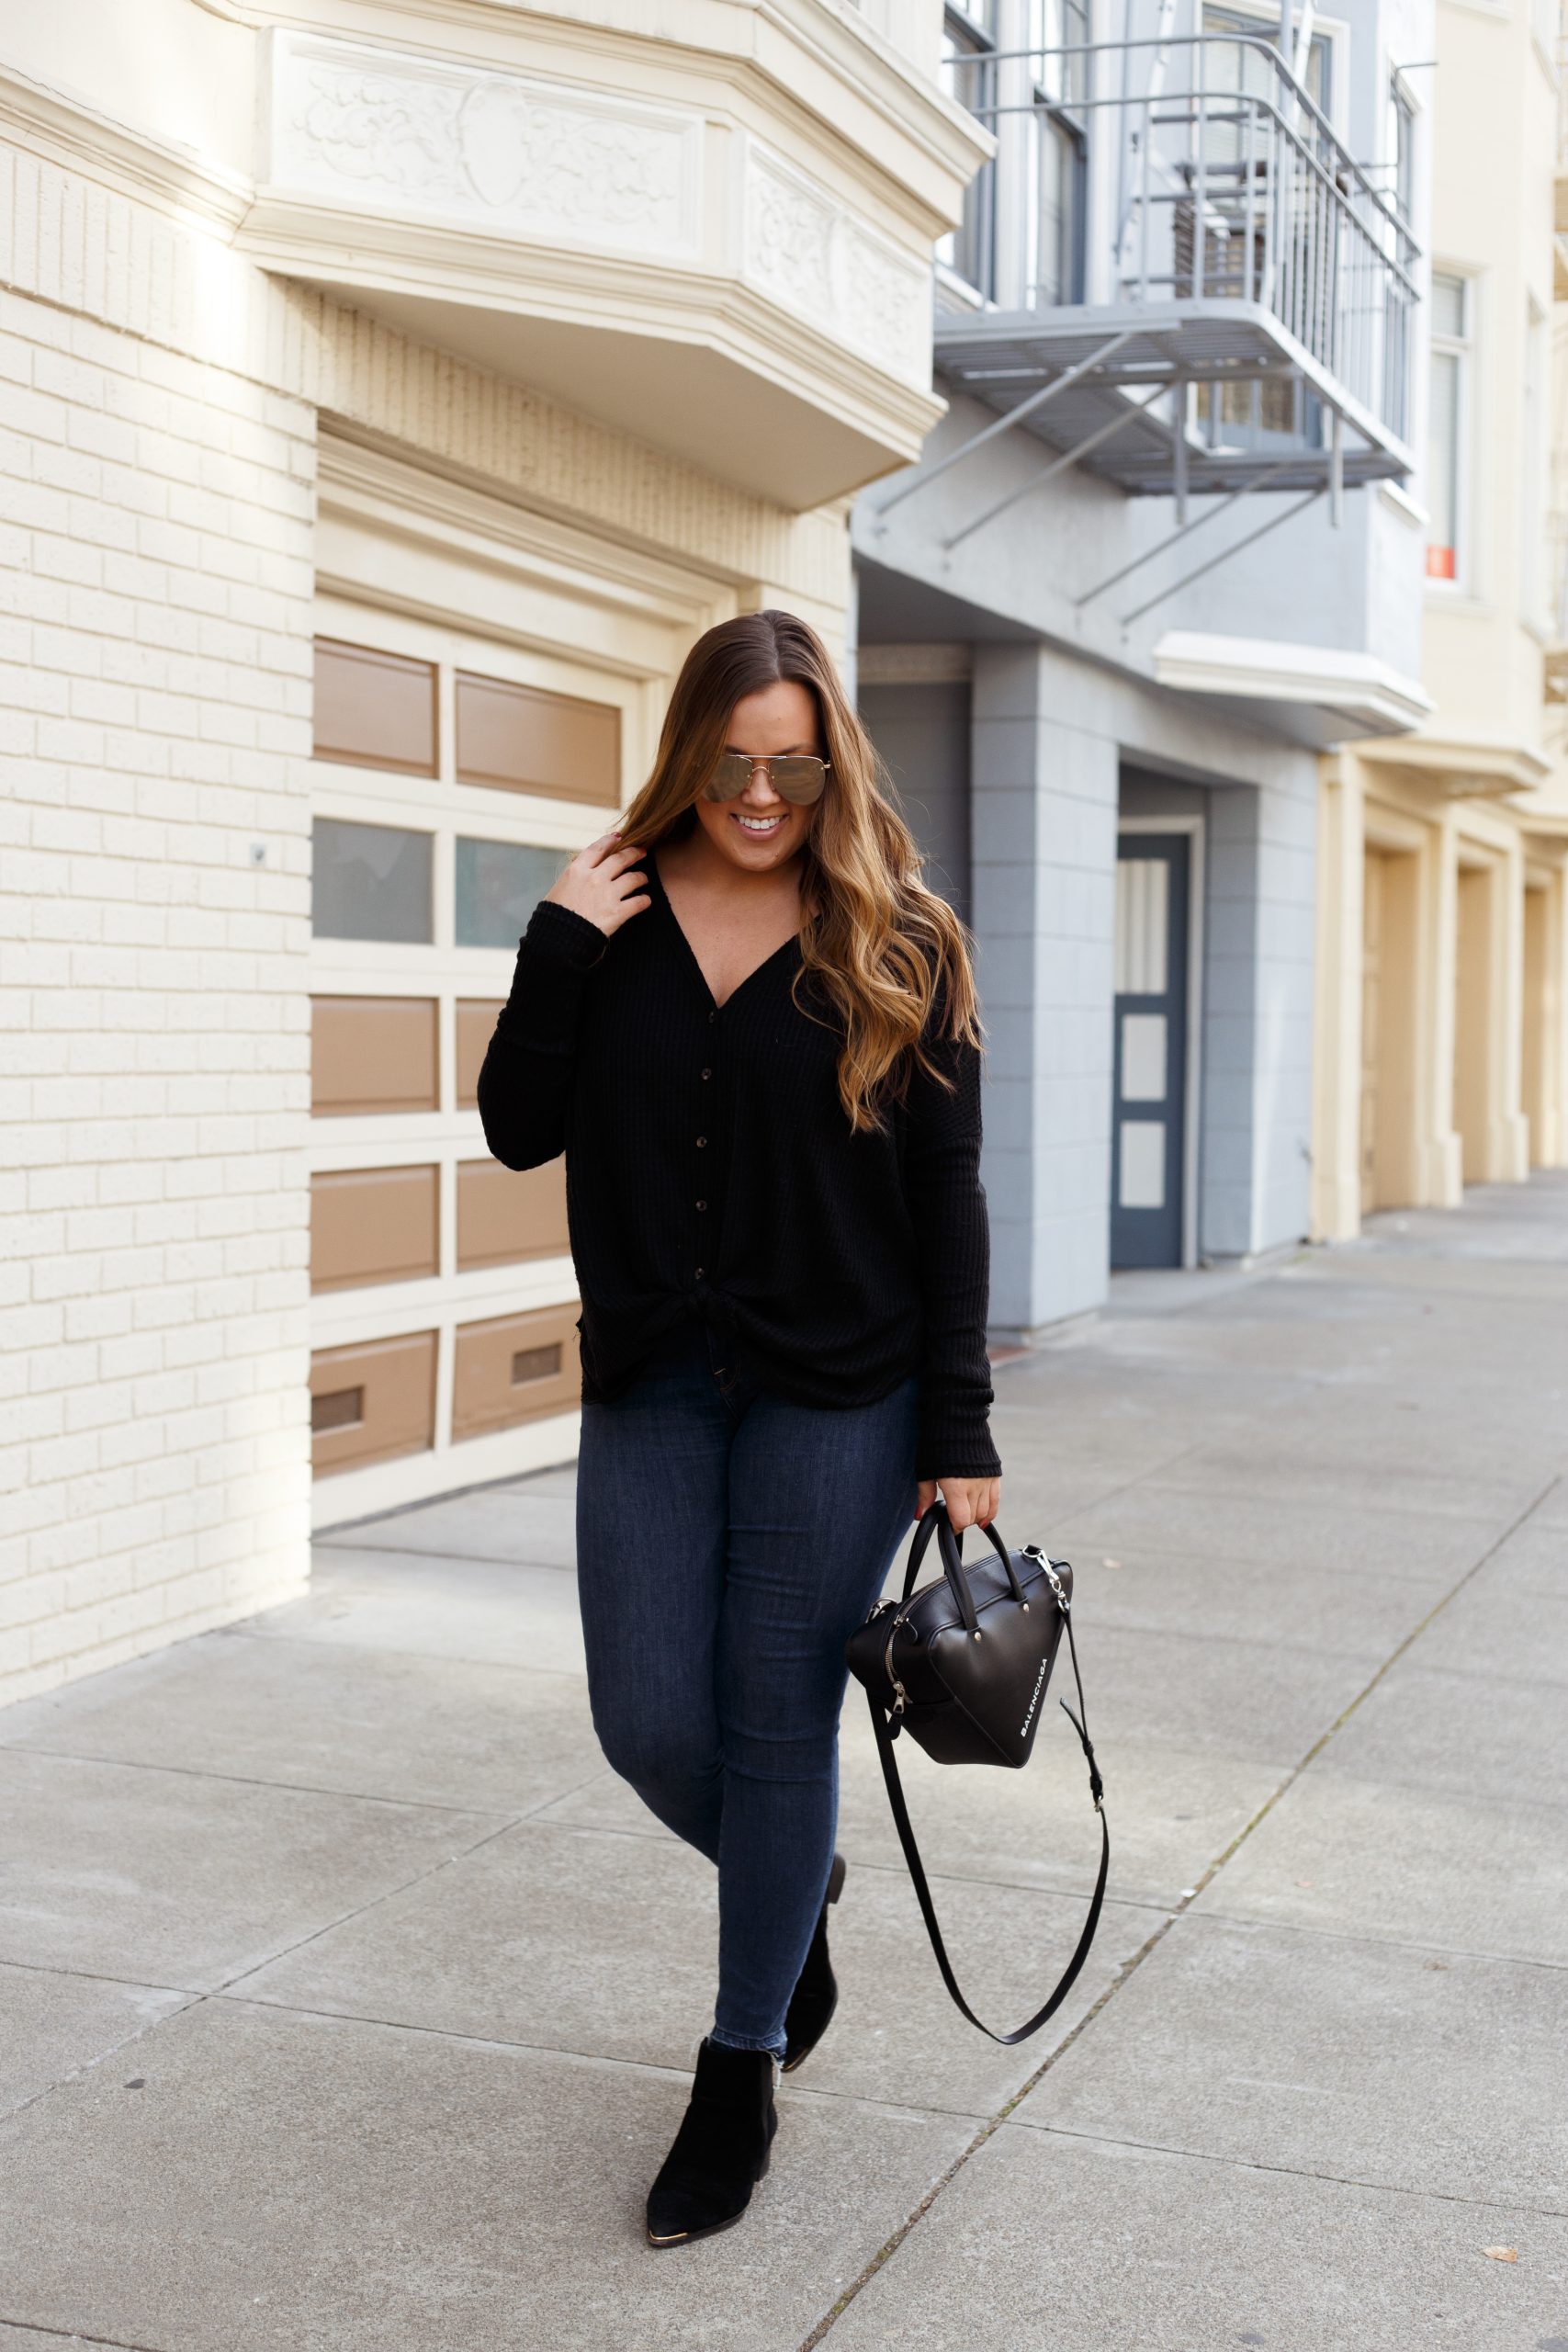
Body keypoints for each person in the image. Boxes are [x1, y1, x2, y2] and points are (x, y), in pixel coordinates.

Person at [478, 609, 1001, 2245]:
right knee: (646, 1718)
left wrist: (962, 1422)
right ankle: (794, 1890)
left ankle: (739, 2064)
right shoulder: (612, 919)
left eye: (795, 765)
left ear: (832, 763)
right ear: (688, 753)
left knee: (780, 1728)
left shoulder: (900, 935)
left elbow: (947, 1196)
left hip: (842, 1393)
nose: (763, 795)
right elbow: (515, 1130)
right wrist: (557, 945)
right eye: (732, 763)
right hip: (653, 1375)